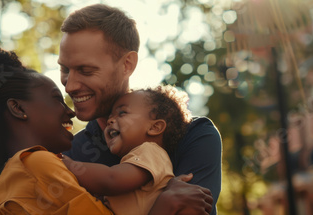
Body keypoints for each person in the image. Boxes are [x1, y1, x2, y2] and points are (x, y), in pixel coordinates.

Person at [58, 4, 222, 214]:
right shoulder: (71, 152)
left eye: (86, 70)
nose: (69, 85)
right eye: (64, 69)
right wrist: (165, 204)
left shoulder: (194, 135)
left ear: (127, 64)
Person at [0, 48, 113, 215]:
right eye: (57, 99)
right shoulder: (36, 162)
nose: (71, 112)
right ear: (17, 108)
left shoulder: (6, 183)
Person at [62, 86, 192, 215]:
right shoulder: (133, 160)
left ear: (155, 127)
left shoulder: (151, 152)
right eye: (110, 116)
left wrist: (67, 164)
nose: (110, 121)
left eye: (122, 113)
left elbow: (111, 180)